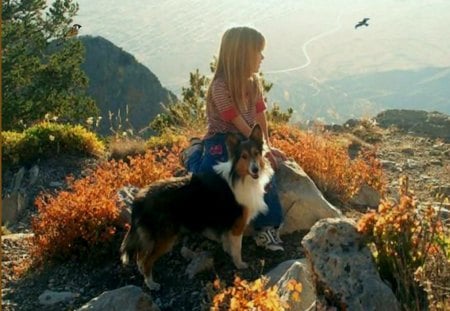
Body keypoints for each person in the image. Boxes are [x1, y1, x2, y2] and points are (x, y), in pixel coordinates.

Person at [182, 26, 286, 251]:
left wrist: (267, 145)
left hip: (247, 137)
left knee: (262, 172)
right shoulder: (220, 86)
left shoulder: (254, 82)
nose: (262, 57)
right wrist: (262, 149)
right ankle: (192, 154)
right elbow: (238, 122)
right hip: (222, 137)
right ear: (243, 54)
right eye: (258, 51)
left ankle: (267, 227)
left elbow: (259, 116)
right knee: (208, 176)